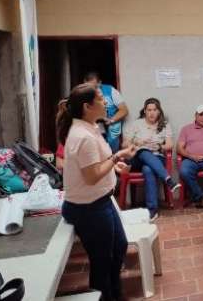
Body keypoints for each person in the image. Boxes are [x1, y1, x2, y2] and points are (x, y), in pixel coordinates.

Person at [58, 83, 136, 300]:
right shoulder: (82, 136)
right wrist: (117, 158)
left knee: (119, 247)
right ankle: (105, 296)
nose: (106, 103)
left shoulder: (90, 128)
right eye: (101, 100)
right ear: (87, 106)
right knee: (101, 261)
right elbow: (91, 176)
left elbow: (96, 165)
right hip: (88, 209)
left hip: (101, 202)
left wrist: (114, 166)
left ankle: (115, 294)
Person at [122, 98, 181, 220]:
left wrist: (159, 146)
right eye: (149, 110)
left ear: (159, 111)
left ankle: (152, 210)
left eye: (154, 110)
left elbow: (169, 145)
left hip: (157, 157)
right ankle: (168, 180)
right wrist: (137, 143)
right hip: (137, 158)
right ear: (145, 111)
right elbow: (124, 144)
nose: (152, 113)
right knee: (143, 151)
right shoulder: (136, 124)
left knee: (148, 169)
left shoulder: (164, 125)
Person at [84, 71, 128, 152]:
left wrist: (110, 120)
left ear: (99, 83)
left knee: (113, 156)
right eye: (88, 87)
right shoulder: (83, 94)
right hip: (94, 131)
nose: (91, 90)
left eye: (94, 86)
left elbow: (124, 110)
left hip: (112, 132)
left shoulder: (110, 90)